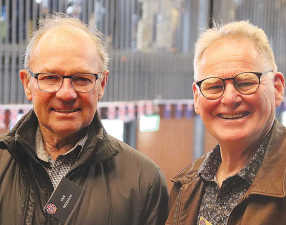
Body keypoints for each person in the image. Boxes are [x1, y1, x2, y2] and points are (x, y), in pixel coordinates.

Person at [0, 13, 168, 225]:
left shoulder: (145, 181)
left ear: (102, 84)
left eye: (81, 79)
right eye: (50, 78)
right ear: (27, 83)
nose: (66, 94)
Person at [166, 20, 286, 225]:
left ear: (277, 89)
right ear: (196, 98)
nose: (229, 99)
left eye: (246, 82)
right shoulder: (185, 186)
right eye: (213, 86)